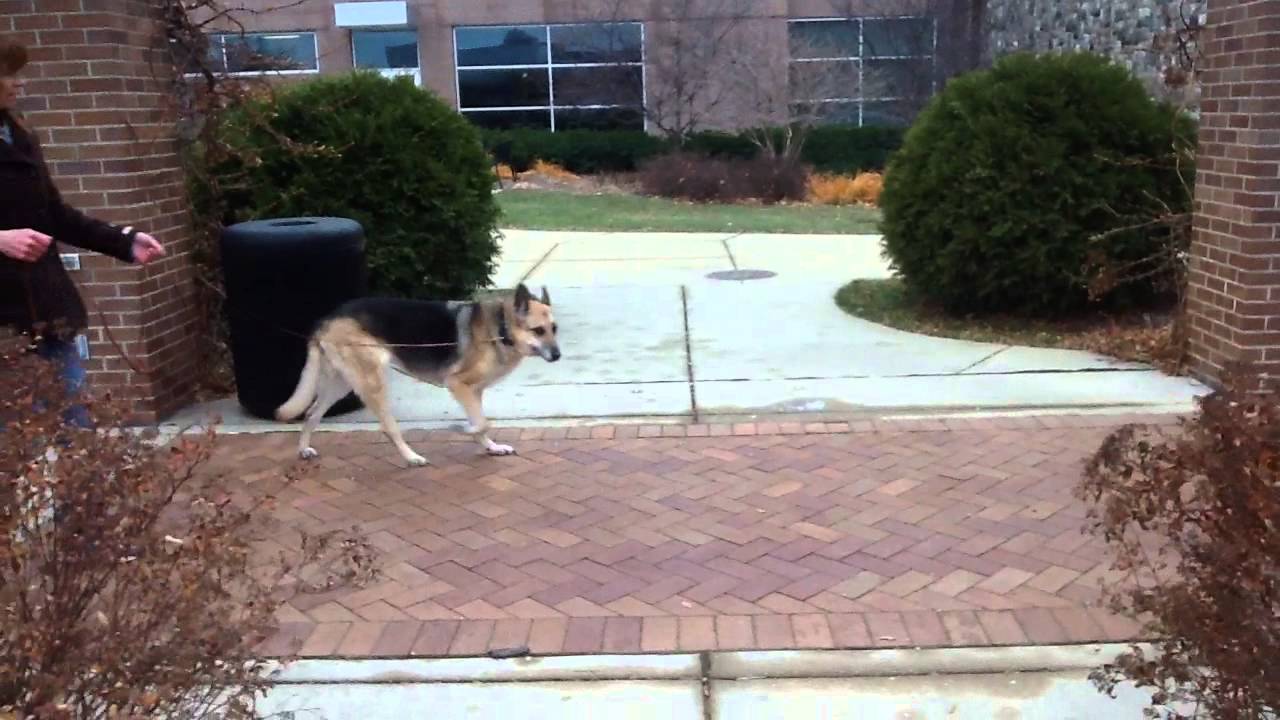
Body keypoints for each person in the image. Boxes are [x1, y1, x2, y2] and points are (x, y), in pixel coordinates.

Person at [0, 39, 166, 427]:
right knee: (16, 442)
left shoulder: (19, 135)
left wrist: (123, 240)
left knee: (76, 430)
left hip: (46, 311)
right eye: (8, 74)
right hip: (3, 322)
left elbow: (55, 214)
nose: (18, 83)